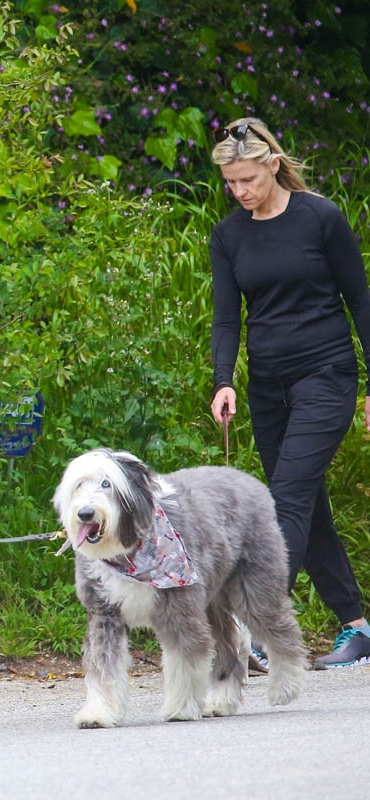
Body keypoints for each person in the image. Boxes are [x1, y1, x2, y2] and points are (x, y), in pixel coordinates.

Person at [209, 117, 370, 670]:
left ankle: (257, 625)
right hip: (268, 387)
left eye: (248, 179)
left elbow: (361, 302)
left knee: (286, 498)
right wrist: (224, 380)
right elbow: (226, 317)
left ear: (273, 165)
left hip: (327, 375)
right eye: (231, 183)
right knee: (307, 503)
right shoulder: (229, 235)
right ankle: (358, 626)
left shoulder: (320, 217)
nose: (240, 191)